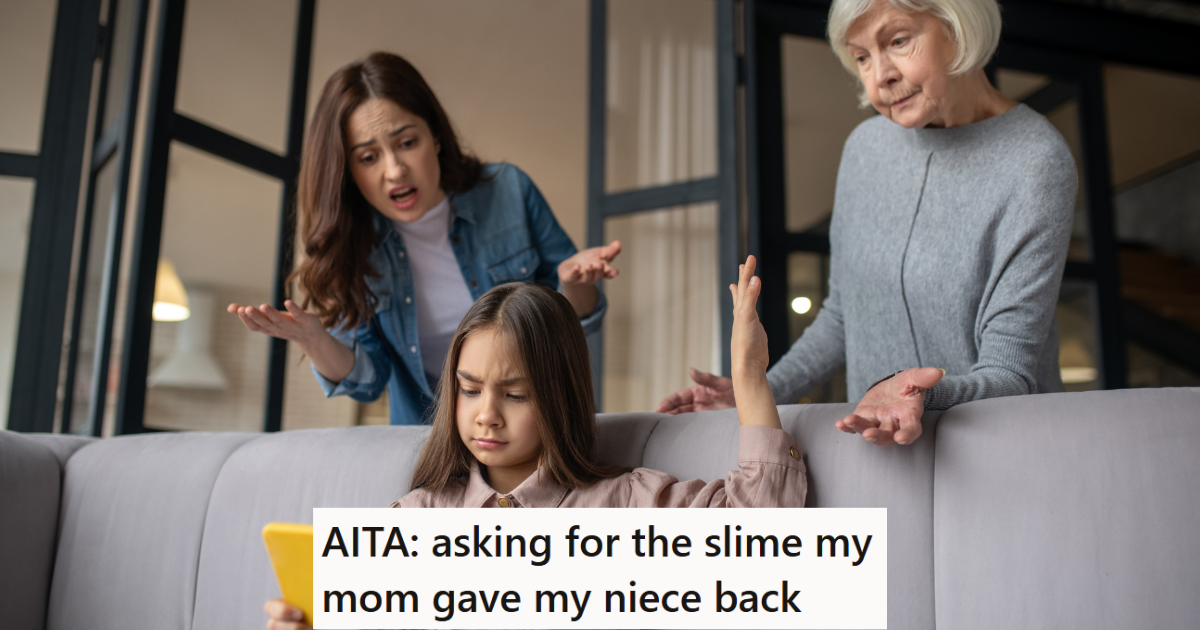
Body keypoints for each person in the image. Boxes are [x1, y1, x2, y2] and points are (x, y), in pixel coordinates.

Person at [265, 260, 930, 628]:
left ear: (556, 397)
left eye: (515, 394)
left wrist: (752, 381)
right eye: (469, 389)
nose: (486, 416)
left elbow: (766, 539)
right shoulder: (416, 518)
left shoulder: (626, 503)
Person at [658, 0, 1076, 448]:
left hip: (995, 453)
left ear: (959, 27)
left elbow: (1011, 375)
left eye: (898, 41)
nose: (881, 75)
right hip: (879, 451)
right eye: (862, 56)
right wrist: (758, 392)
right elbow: (843, 315)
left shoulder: (1035, 161)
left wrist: (919, 395)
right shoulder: (864, 150)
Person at [229, 52, 621, 425]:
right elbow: (367, 382)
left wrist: (571, 286)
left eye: (407, 143)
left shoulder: (508, 191)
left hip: (540, 424)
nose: (395, 170)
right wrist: (314, 339)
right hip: (433, 445)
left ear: (434, 135)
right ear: (347, 172)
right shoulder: (353, 247)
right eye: (369, 158)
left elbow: (575, 330)